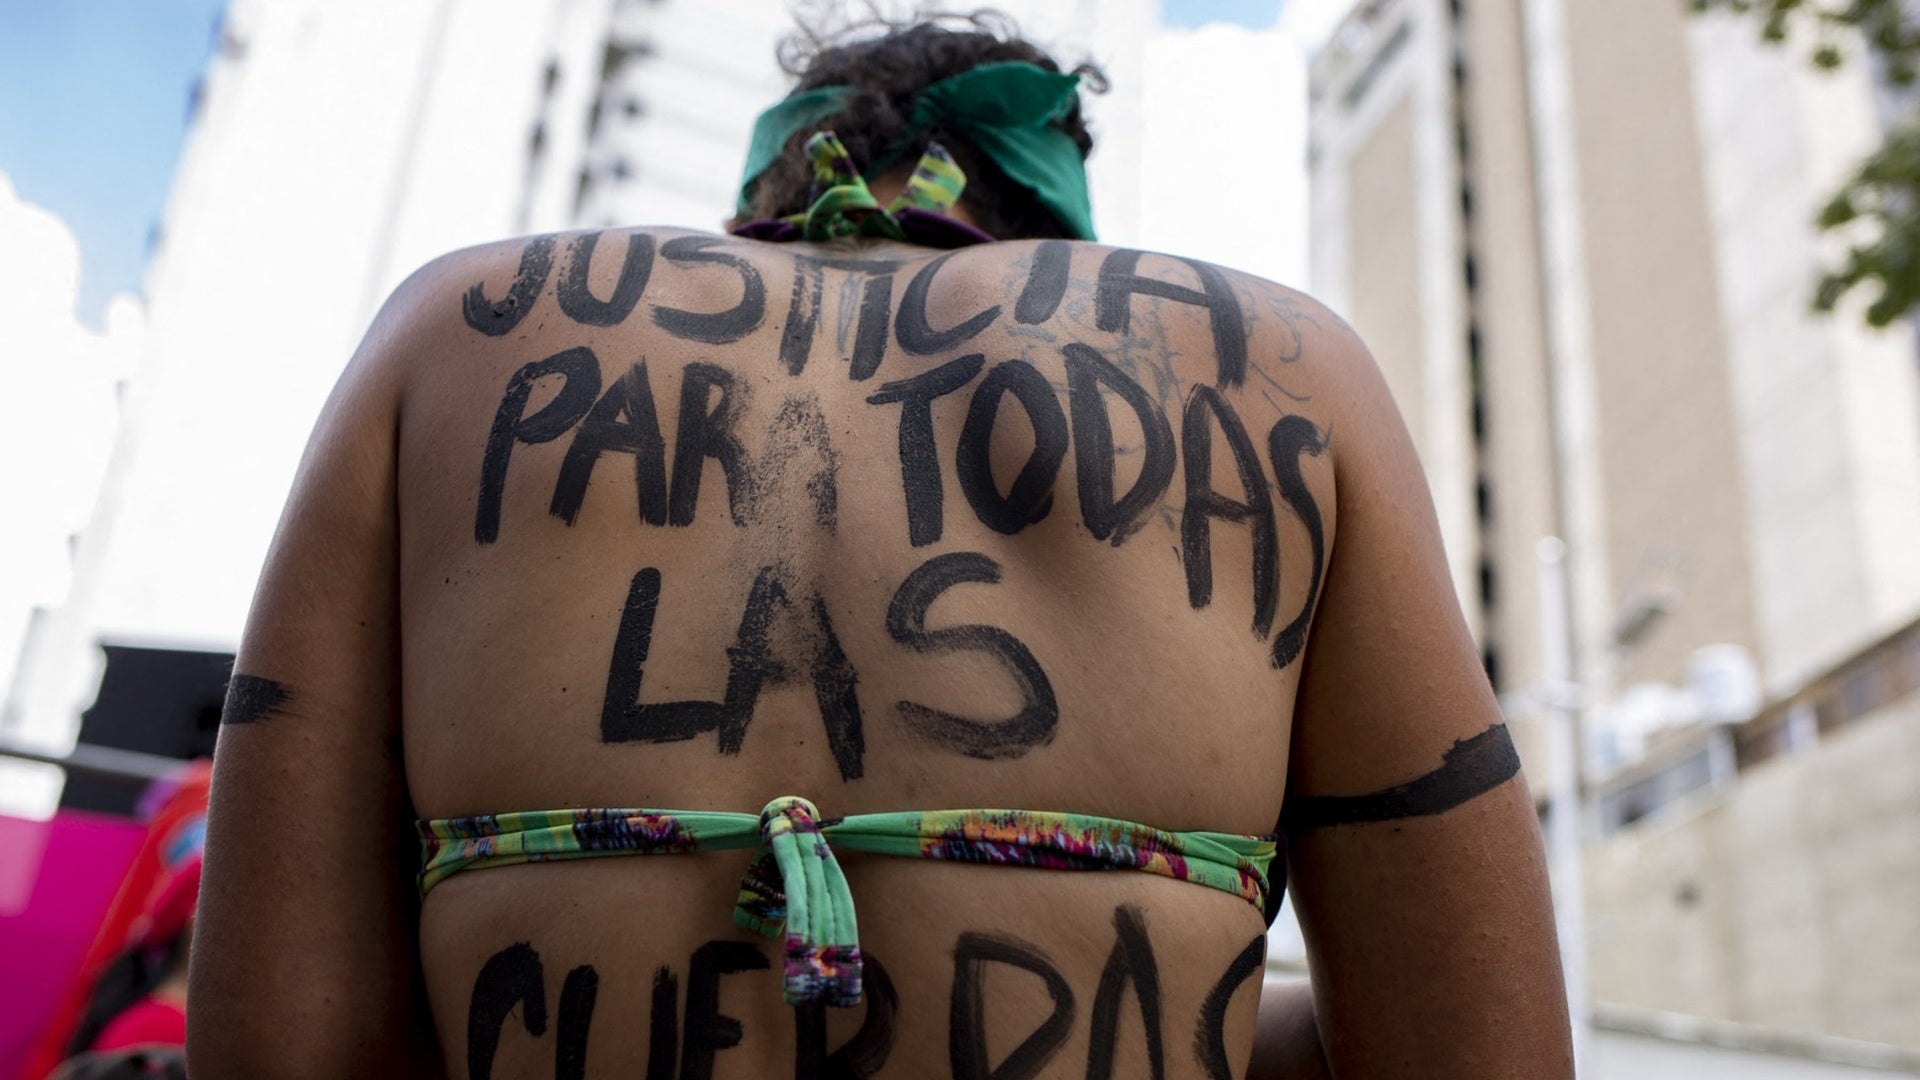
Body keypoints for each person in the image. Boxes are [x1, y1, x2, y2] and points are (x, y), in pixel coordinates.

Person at [189, 13, 1572, 1078]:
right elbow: (1477, 1048)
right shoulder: (1272, 364)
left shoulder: (456, 334)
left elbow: (282, 1046)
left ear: (775, 187)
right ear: (1053, 228)